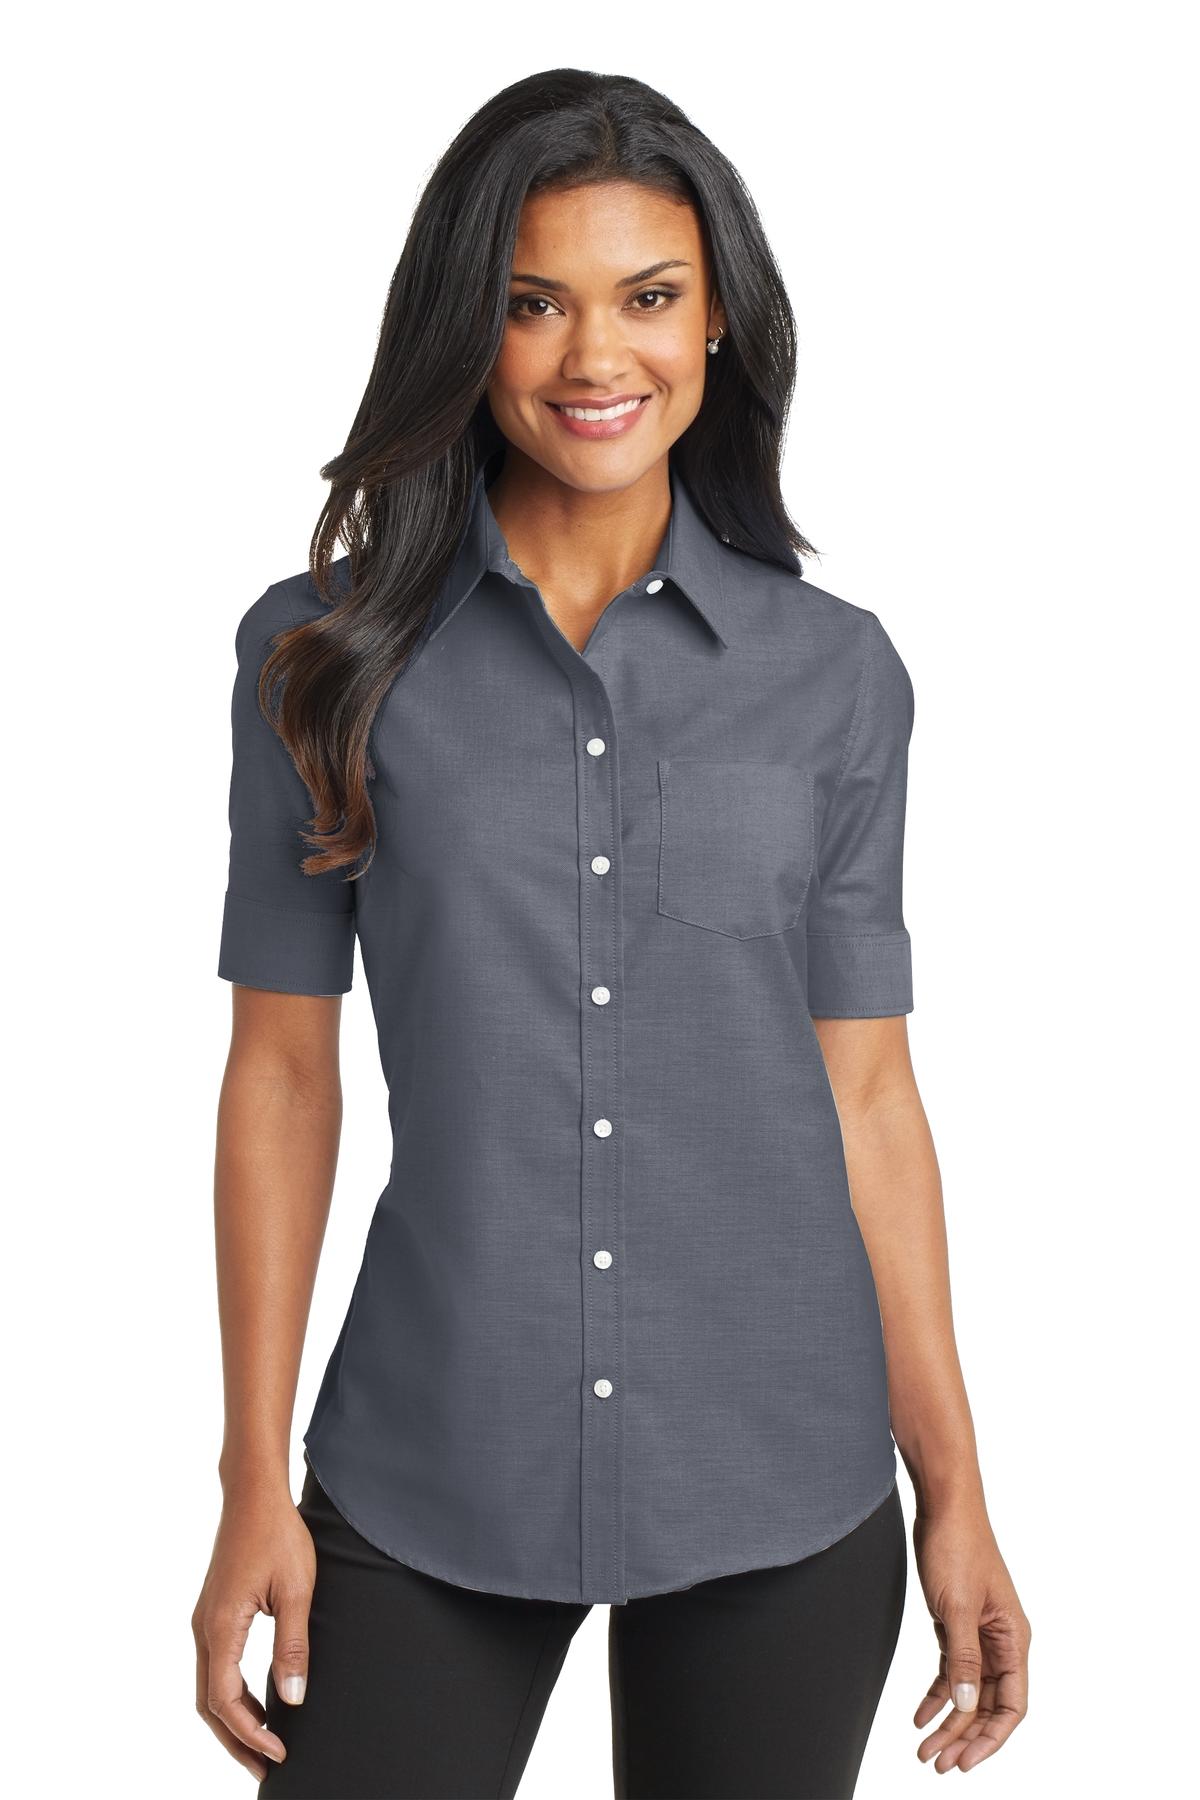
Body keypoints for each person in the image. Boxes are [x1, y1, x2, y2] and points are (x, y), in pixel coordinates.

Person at [191, 67, 1031, 1800]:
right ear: (464, 327)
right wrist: (251, 1477)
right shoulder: (320, 657)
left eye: (648, 297)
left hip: (781, 1476)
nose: (596, 356)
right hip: (432, 1461)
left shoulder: (834, 676)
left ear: (717, 320)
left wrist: (955, 1490)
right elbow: (281, 1073)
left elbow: (869, 1097)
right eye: (533, 303)